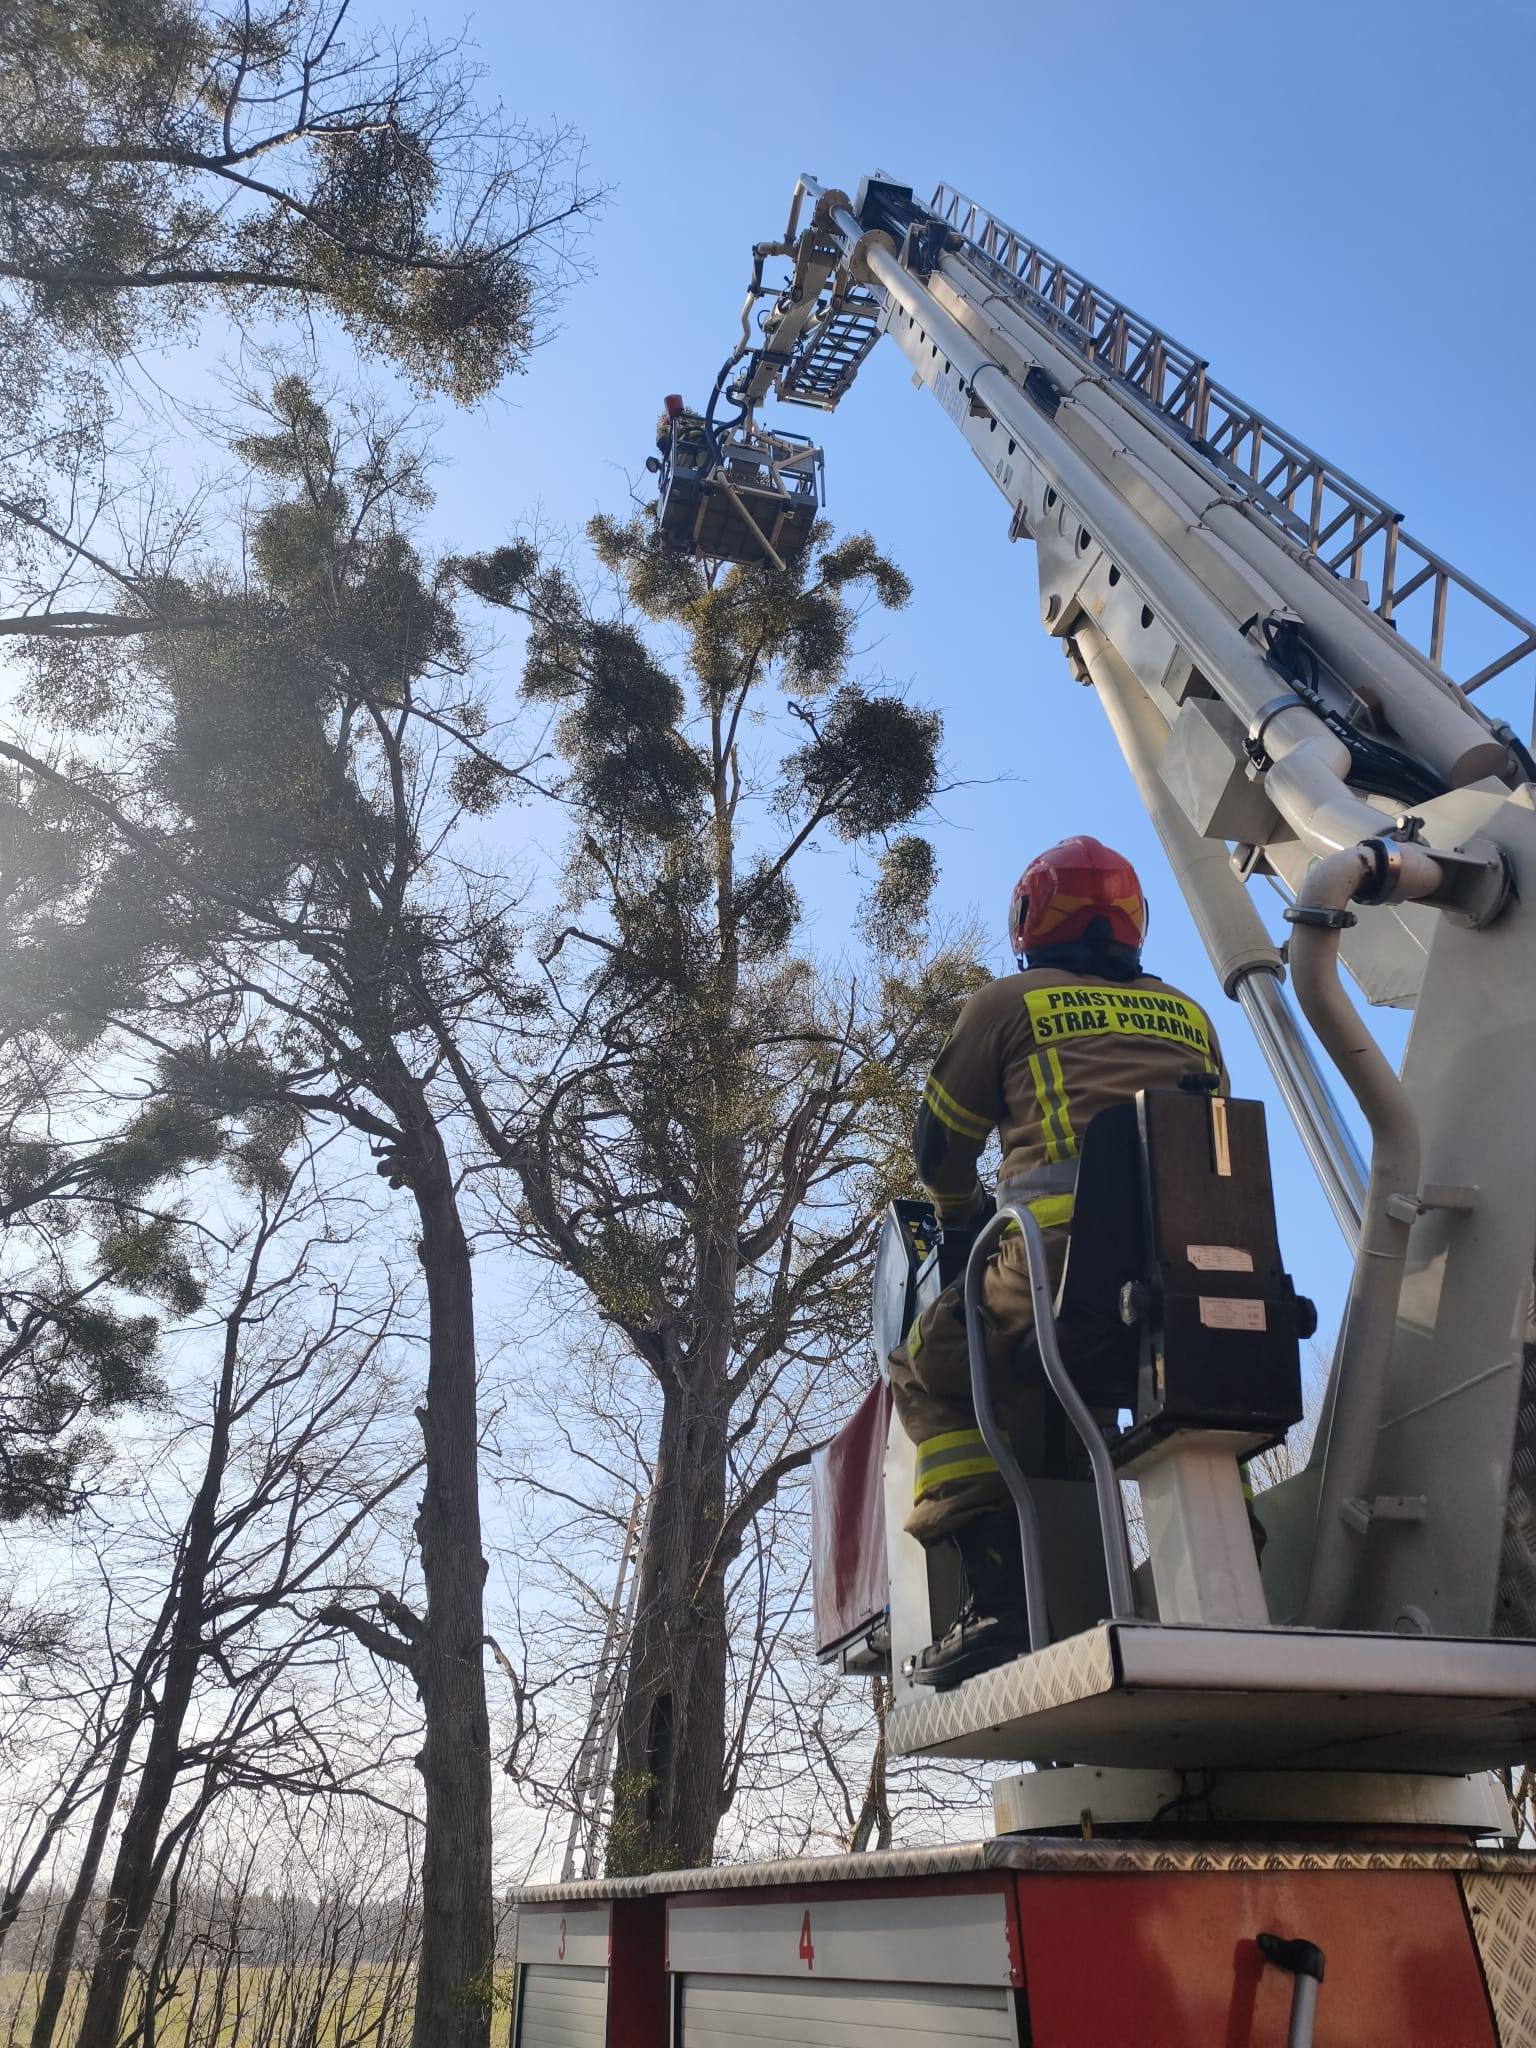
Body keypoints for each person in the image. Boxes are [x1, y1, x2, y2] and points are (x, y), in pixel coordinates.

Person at [888, 834, 1225, 1688]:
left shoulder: (1007, 1004)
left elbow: (938, 1150)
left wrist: (961, 1217)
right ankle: (1236, 1561)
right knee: (1200, 1400)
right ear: (1132, 923)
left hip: (1061, 1262)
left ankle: (1000, 1592)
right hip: (1203, 1268)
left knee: (931, 1367)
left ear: (1032, 920)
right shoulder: (1189, 1015)